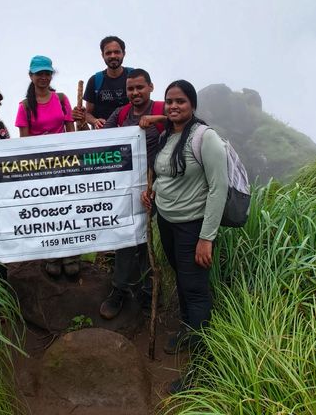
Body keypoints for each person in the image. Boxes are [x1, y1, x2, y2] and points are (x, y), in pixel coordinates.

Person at [142, 79, 228, 388]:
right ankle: (189, 330)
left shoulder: (206, 138)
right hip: (167, 222)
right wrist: (151, 193)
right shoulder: (168, 135)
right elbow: (165, 175)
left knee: (195, 290)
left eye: (180, 101)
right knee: (182, 279)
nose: (174, 106)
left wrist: (207, 237)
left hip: (194, 226)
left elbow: (219, 189)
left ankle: (201, 369)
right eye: (169, 102)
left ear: (192, 104)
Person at [99, 68, 166, 319]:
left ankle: (149, 293)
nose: (135, 92)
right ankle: (120, 290)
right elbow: (101, 139)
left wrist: (156, 119)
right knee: (128, 238)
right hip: (125, 189)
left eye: (140, 87)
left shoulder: (161, 108)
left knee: (146, 240)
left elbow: (187, 120)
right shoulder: (122, 113)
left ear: (150, 86)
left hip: (157, 188)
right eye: (130, 88)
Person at [15, 55, 79, 277]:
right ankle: (52, 253)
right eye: (39, 73)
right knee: (47, 210)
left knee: (69, 206)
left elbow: (71, 131)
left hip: (65, 164)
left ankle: (71, 253)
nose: (43, 77)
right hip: (40, 168)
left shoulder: (61, 99)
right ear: (30, 75)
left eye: (47, 73)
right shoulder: (24, 106)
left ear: (51, 75)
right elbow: (24, 142)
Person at [83, 36, 133, 129]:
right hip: (104, 136)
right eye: (108, 53)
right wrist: (95, 121)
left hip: (130, 133)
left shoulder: (133, 76)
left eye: (117, 52)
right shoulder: (94, 80)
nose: (113, 56)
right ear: (103, 55)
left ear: (124, 53)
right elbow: (87, 113)